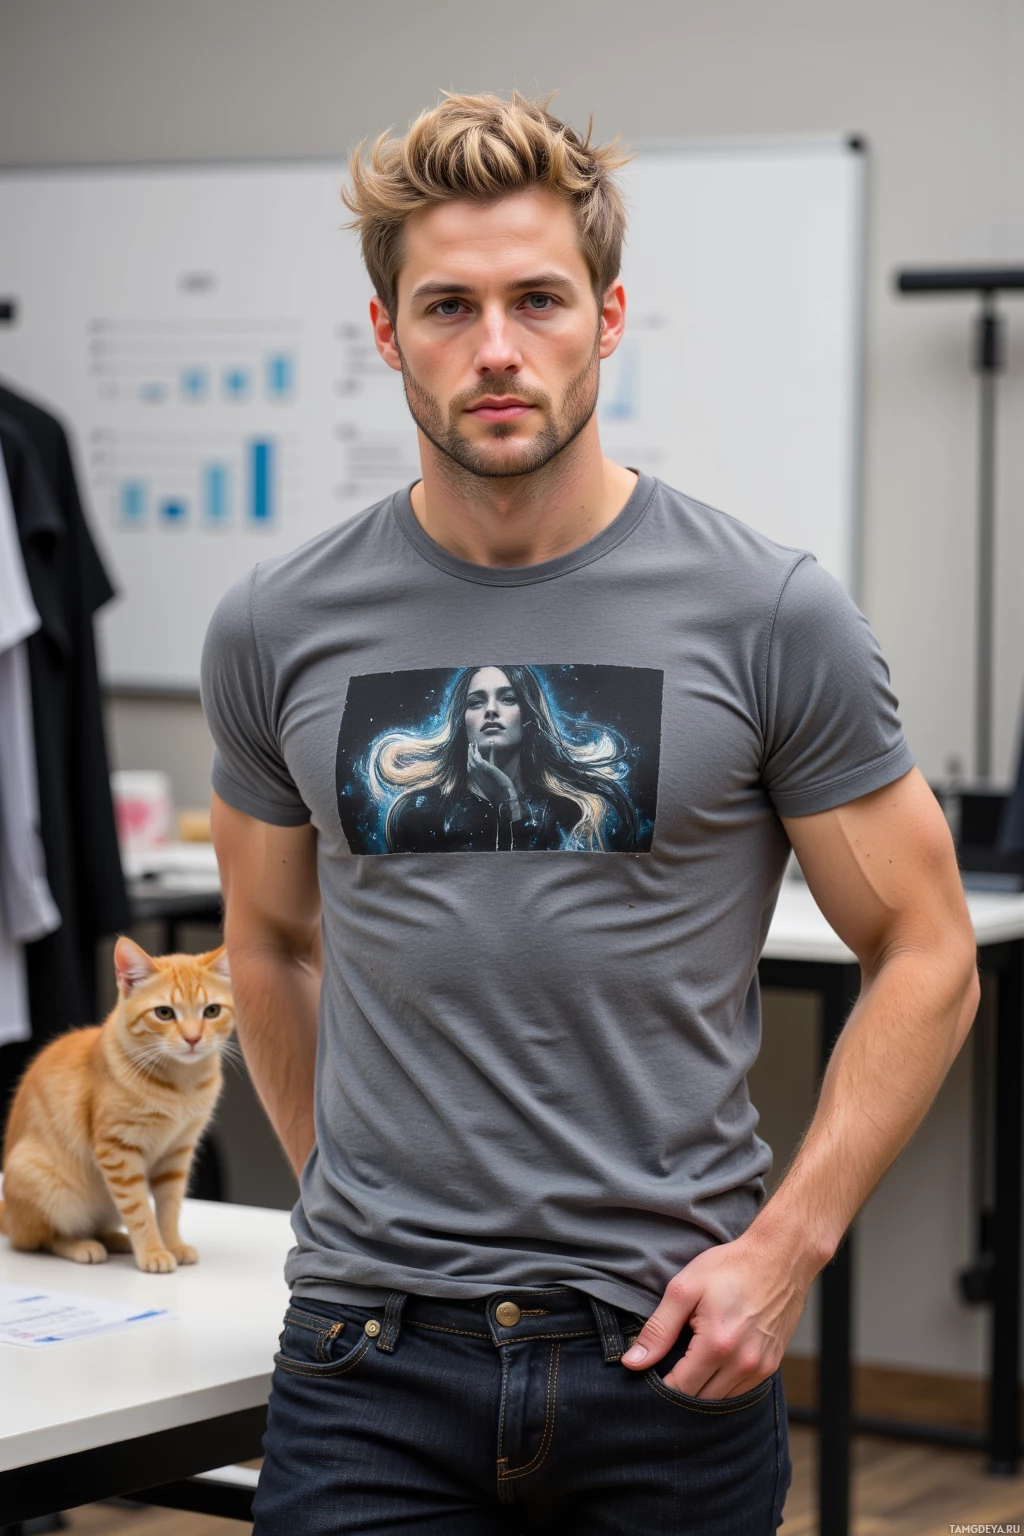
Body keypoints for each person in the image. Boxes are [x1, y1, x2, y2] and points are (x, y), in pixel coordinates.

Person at [201, 91, 979, 1535]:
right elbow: (267, 940)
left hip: (664, 1356)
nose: (496, 349)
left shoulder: (769, 610)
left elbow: (928, 951)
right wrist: (348, 1199)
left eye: (537, 300)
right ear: (386, 335)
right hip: (367, 1362)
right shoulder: (274, 623)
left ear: (608, 318)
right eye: (447, 306)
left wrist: (784, 1254)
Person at [362, 662, 643, 853]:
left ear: (529, 717)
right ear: (462, 722)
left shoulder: (569, 813)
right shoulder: (419, 812)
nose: (491, 710)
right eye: (476, 702)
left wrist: (510, 805)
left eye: (508, 698)